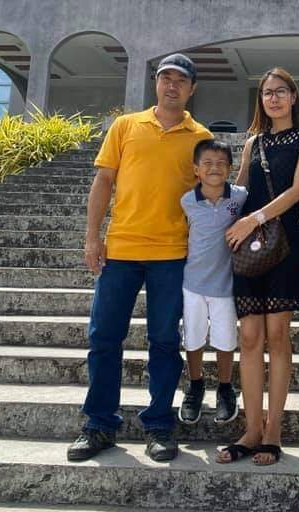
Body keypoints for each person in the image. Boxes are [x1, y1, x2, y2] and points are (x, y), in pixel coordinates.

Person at [67, 53, 213, 463]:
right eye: (165, 78)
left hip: (172, 255)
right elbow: (103, 181)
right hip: (122, 250)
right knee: (103, 339)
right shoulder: (126, 125)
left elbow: (209, 195)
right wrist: (92, 238)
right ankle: (99, 425)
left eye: (180, 80)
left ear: (191, 89)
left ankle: (159, 426)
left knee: (165, 342)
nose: (171, 86)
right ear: (156, 83)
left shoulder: (198, 135)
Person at [217, 68, 299, 466]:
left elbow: (298, 190)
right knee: (248, 338)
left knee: (278, 335)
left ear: (294, 97)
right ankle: (252, 427)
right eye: (266, 93)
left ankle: (273, 430)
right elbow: (239, 192)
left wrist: (254, 219)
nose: (273, 99)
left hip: (283, 244)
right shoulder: (253, 142)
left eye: (281, 92)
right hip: (247, 246)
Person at [177, 139, 248, 427]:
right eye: (207, 163)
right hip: (192, 283)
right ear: (196, 169)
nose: (214, 168)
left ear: (229, 169)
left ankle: (225, 388)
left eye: (221, 163)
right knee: (192, 338)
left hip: (226, 286)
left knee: (225, 340)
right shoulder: (187, 201)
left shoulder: (240, 197)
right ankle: (195, 385)